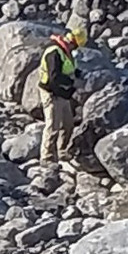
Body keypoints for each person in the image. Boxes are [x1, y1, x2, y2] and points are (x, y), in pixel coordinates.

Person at [38, 19, 86, 165]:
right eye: (76, 46)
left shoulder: (65, 52)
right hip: (51, 92)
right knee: (52, 125)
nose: (75, 49)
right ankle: (46, 157)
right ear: (72, 42)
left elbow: (68, 68)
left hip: (62, 92)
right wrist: (71, 83)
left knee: (67, 124)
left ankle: (62, 152)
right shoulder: (54, 52)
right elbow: (54, 77)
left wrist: (78, 74)